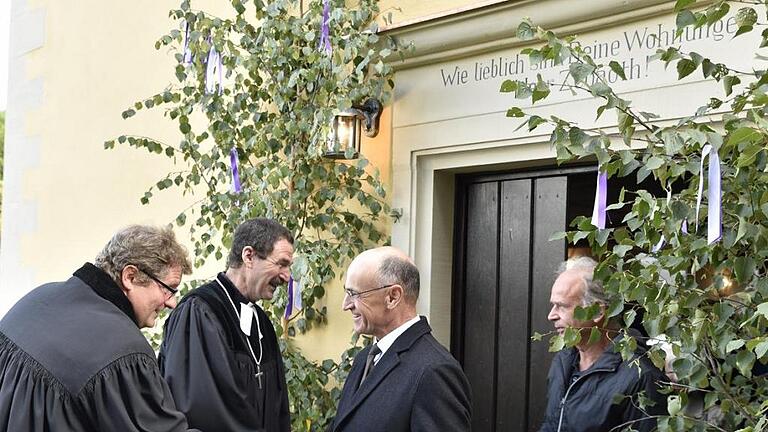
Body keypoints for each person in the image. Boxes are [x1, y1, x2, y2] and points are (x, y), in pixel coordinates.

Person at [0, 225, 199, 431]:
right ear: (130, 277)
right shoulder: (123, 350)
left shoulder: (38, 297)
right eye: (168, 289)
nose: (172, 303)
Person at [159, 218, 293, 432]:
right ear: (248, 256)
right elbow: (204, 409)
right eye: (282, 264)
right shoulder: (200, 312)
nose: (287, 277)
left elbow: (279, 408)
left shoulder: (262, 323)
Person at [330, 246, 472, 432]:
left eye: (354, 294)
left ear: (393, 297)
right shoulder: (364, 358)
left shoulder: (434, 371)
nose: (346, 305)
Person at [539, 256, 668, 432]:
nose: (551, 315)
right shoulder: (563, 362)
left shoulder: (640, 376)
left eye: (562, 306)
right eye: (553, 305)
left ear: (597, 312)